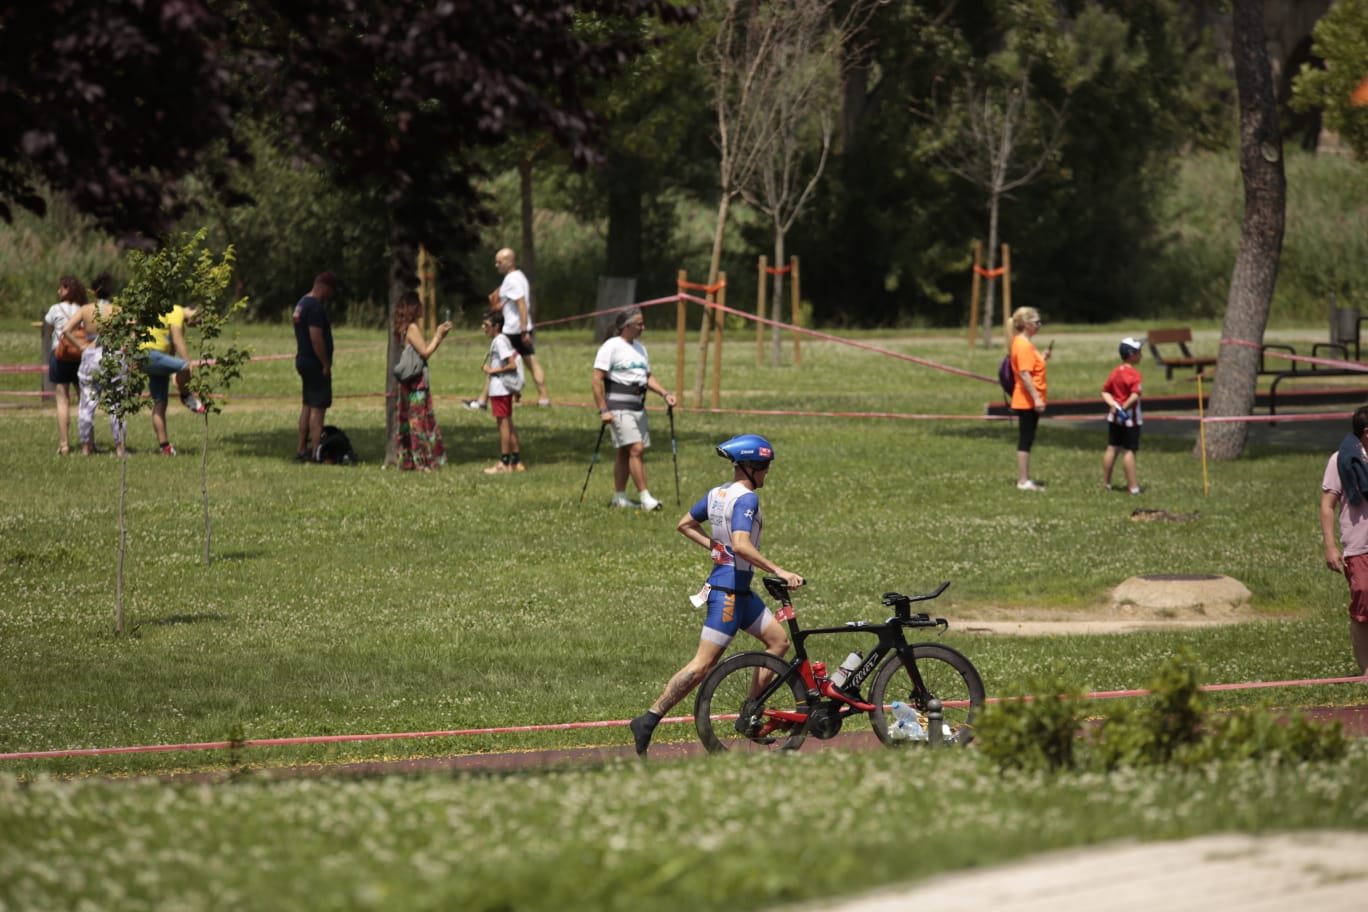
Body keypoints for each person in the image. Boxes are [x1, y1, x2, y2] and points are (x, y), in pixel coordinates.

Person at [629, 434, 805, 756]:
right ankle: (649, 719)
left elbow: (685, 524)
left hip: (740, 592)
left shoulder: (717, 493)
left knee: (778, 642)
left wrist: (715, 547)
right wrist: (778, 570)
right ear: (750, 467)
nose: (767, 472)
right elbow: (740, 544)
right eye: (764, 466)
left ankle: (750, 713)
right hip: (727, 594)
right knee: (702, 666)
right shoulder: (747, 499)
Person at [590, 307, 677, 510]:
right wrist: (603, 410)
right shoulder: (611, 346)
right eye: (639, 324)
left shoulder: (640, 348)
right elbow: (596, 380)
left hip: (638, 406)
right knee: (636, 449)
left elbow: (647, 377)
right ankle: (646, 499)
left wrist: (665, 394)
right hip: (618, 407)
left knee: (624, 451)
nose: (643, 327)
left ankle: (619, 498)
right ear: (627, 326)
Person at [465, 247, 550, 409]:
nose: (496, 265)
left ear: (510, 262)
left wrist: (523, 330)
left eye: (500, 262)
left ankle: (482, 401)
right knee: (531, 363)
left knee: (496, 364)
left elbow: (521, 304)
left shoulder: (512, 280)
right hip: (521, 328)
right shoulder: (520, 277)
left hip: (513, 330)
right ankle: (544, 399)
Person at [1319, 404, 1368, 675]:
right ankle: (1366, 671)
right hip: (1359, 546)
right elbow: (1327, 505)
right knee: (1363, 605)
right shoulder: (1342, 461)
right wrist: (1330, 546)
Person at [392, 291, 453, 471]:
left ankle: (408, 460)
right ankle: (423, 461)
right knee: (420, 421)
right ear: (413, 307)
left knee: (409, 420)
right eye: (419, 304)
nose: (422, 307)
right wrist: (439, 336)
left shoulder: (403, 327)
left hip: (406, 383)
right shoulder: (411, 328)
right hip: (415, 383)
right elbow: (425, 352)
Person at [66, 272, 126, 456]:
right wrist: (124, 346)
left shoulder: (86, 310)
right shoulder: (117, 310)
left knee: (87, 403)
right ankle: (120, 448)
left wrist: (82, 347)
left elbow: (66, 330)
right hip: (113, 354)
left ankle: (86, 446)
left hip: (91, 354)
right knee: (117, 404)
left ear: (94, 291)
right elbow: (133, 329)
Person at [140, 301, 205, 456]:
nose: (197, 324)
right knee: (184, 366)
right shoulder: (176, 311)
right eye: (199, 319)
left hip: (152, 357)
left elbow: (172, 350)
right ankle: (186, 396)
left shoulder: (173, 316)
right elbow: (177, 340)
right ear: (192, 309)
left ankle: (165, 447)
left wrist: (173, 371)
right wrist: (188, 363)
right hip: (151, 354)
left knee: (160, 402)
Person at [293, 272, 338, 462]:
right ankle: (316, 452)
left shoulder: (301, 304)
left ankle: (301, 448)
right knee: (318, 408)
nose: (332, 295)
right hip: (314, 362)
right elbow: (316, 337)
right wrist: (325, 363)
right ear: (324, 286)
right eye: (332, 290)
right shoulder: (315, 308)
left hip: (303, 359)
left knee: (307, 406)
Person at [43, 276, 87, 455]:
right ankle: (87, 441)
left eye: (60, 288)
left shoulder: (55, 309)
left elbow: (49, 329)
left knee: (62, 400)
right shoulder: (82, 309)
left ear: (67, 289)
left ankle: (64, 444)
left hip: (60, 356)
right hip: (79, 356)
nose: (58, 291)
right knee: (83, 400)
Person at [1008, 306, 1049, 491]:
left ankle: (1024, 479)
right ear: (1026, 324)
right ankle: (1023, 481)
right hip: (1026, 400)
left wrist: (1042, 358)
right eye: (1036, 322)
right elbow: (1025, 374)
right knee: (1025, 439)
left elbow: (1030, 367)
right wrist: (1036, 399)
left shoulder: (1024, 343)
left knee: (1028, 438)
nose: (1039, 325)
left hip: (1027, 398)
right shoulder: (1023, 345)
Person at [480, 310, 525, 473]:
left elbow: (512, 364)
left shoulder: (499, 341)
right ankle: (517, 461)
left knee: (503, 425)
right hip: (501, 390)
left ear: (496, 326)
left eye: (486, 325)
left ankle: (504, 463)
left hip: (500, 390)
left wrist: (492, 371)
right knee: (508, 424)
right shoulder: (502, 340)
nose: (483, 328)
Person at [1101, 337, 1145, 494]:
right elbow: (1135, 395)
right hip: (1130, 420)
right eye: (1139, 351)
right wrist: (1124, 408)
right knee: (1129, 451)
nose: (1141, 354)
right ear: (1131, 354)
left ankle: (1106, 483)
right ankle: (1133, 487)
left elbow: (1105, 391)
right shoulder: (1135, 375)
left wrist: (1113, 405)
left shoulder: (1116, 372)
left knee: (1112, 448)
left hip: (1114, 418)